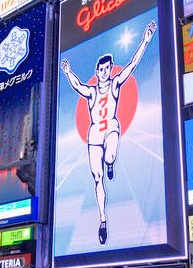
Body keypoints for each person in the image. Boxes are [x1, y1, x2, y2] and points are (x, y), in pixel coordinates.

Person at [59, 20, 157, 245]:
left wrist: (145, 39)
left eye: (107, 69)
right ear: (96, 71)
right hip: (94, 134)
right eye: (101, 70)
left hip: (111, 127)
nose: (104, 72)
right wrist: (67, 71)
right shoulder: (92, 92)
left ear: (110, 69)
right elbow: (77, 85)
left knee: (110, 156)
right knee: (97, 177)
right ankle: (103, 221)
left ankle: (110, 161)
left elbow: (132, 64)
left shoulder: (115, 84)